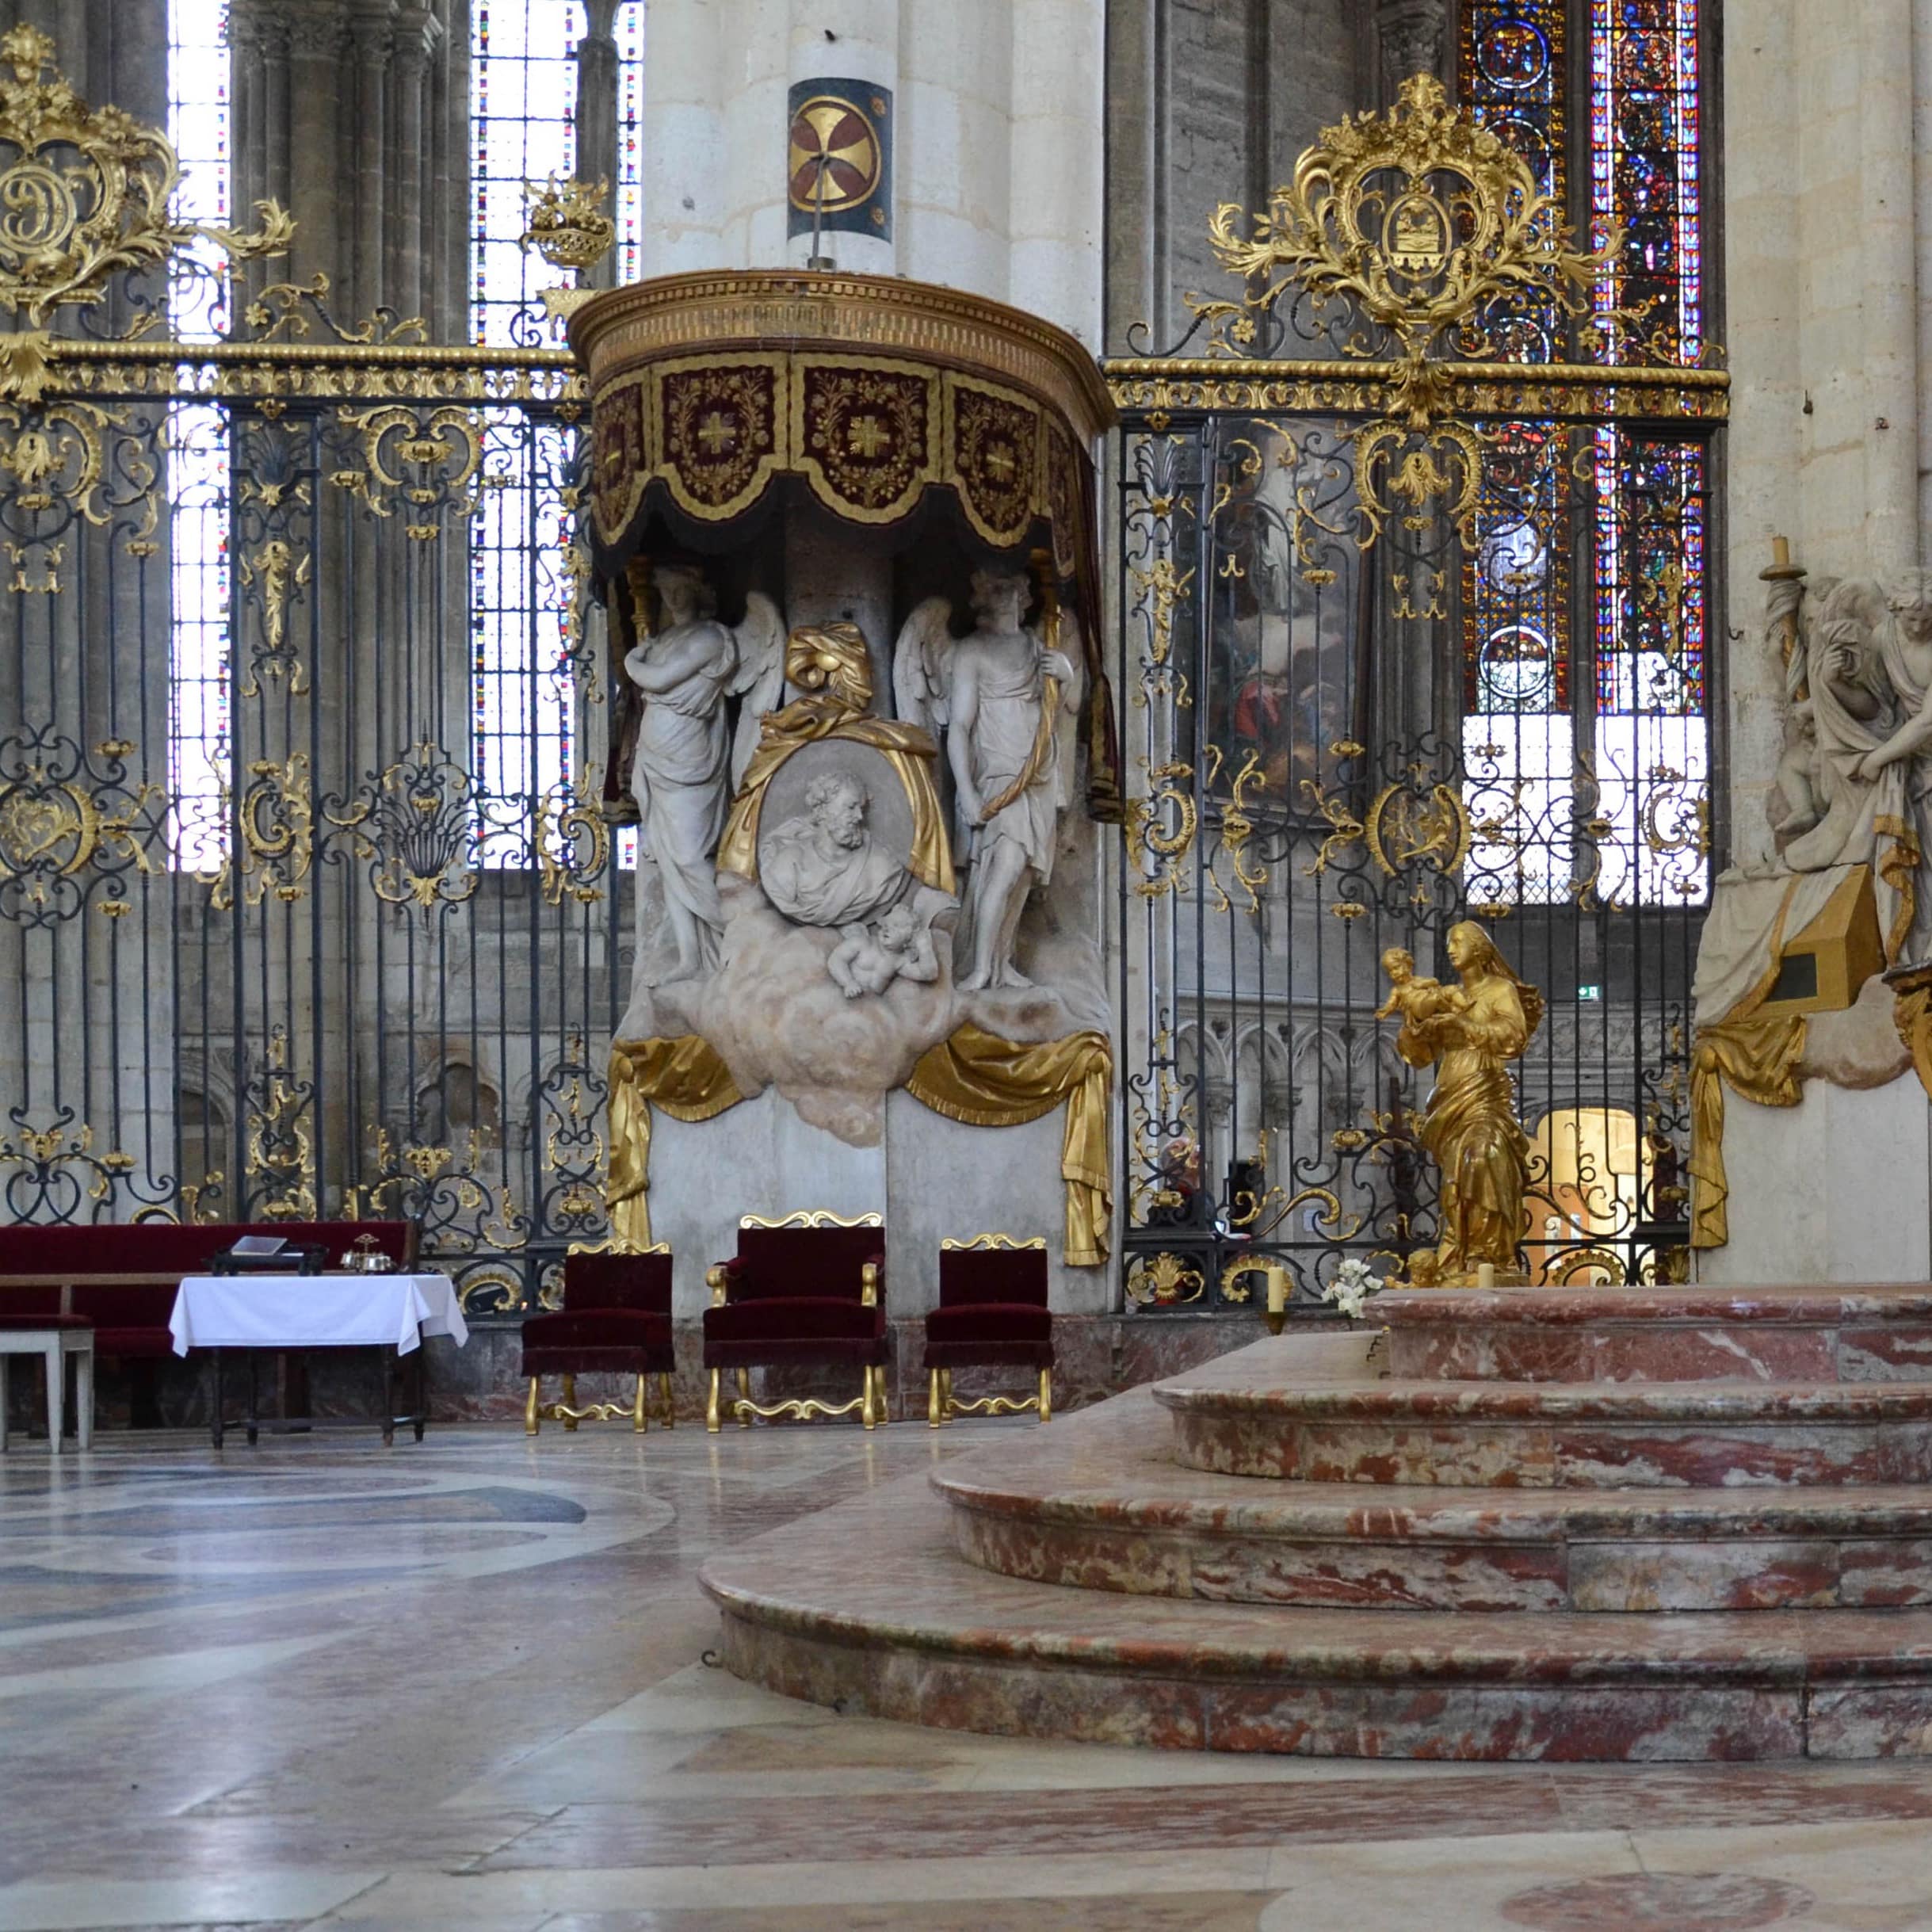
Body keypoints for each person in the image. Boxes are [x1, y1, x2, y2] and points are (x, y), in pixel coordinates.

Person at [947, 571, 1079, 991]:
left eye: (1011, 590)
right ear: (984, 596)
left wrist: (1067, 674)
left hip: (1037, 774)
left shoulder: (1038, 648)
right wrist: (966, 791)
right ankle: (979, 967)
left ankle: (1003, 964)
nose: (1005, 598)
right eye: (996, 590)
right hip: (1001, 774)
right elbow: (959, 726)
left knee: (1021, 876)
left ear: (1023, 597)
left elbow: (1069, 708)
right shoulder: (972, 651)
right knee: (1002, 869)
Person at [1394, 920, 1543, 1283]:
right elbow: (1419, 1056)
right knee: (1454, 1177)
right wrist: (1416, 1026)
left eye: (1457, 941)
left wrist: (1465, 1027)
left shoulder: (1499, 990)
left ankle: (1490, 1254)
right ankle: (1460, 1251)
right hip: (1451, 1091)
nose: (1450, 948)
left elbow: (1513, 1036)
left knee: (1483, 1154)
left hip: (1486, 1089)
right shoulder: (1444, 995)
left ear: (1478, 948)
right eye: (1448, 942)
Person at [624, 565, 736, 982]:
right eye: (666, 590)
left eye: (680, 588)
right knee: (670, 863)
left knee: (690, 857)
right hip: (655, 755)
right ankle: (690, 958)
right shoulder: (668, 638)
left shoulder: (710, 637)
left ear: (698, 590)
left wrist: (632, 658)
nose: (672, 598)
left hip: (690, 760)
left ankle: (742, 937)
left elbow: (657, 677)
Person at [760, 769, 908, 930]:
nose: (859, 816)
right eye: (851, 807)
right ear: (823, 810)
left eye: (861, 809)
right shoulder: (789, 861)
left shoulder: (880, 864)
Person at [827, 903, 938, 998]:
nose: (887, 928)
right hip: (842, 994)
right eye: (886, 924)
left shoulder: (899, 961)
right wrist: (848, 983)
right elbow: (836, 959)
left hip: (869, 1006)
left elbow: (928, 975)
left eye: (896, 926)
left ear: (909, 939)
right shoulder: (863, 943)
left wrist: (925, 947)